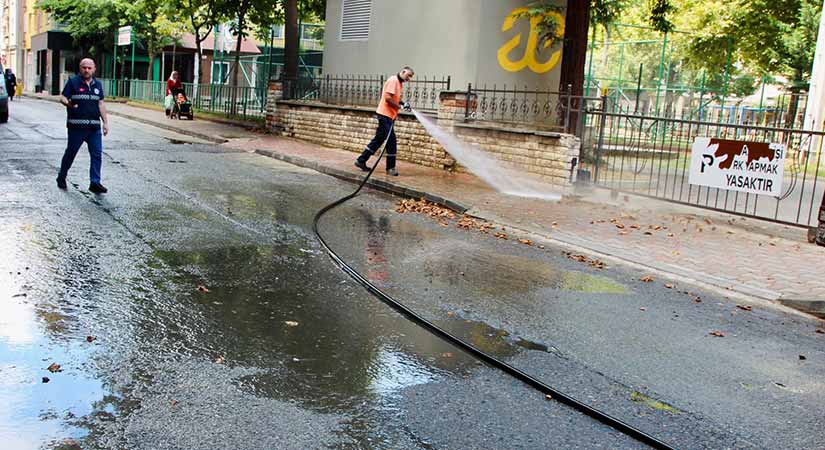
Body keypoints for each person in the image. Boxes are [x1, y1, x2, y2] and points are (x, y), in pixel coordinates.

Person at [56, 58, 110, 193]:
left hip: (94, 128)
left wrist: (105, 123)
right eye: (84, 67)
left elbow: (101, 104)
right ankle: (62, 176)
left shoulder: (97, 85)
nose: (87, 70)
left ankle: (95, 182)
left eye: (89, 68)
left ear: (94, 69)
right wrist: (68, 103)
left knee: (97, 154)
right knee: (71, 153)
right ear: (80, 68)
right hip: (77, 128)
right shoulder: (73, 82)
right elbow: (62, 97)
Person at [354, 66, 414, 176]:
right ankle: (390, 168)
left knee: (378, 139)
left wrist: (403, 103)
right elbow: (388, 98)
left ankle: (361, 160)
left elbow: (395, 98)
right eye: (408, 75)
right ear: (403, 71)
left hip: (387, 115)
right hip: (385, 115)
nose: (409, 78)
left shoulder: (398, 83)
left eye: (411, 77)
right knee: (391, 141)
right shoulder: (393, 80)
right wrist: (399, 107)